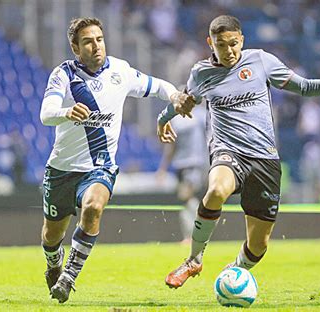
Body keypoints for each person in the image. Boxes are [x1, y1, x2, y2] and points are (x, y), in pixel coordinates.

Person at [157, 15, 320, 289]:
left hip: (264, 158)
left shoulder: (261, 61)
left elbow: (302, 86)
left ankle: (236, 271)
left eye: (233, 44)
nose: (228, 51)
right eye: (220, 45)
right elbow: (182, 101)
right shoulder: (201, 73)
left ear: (241, 40)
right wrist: (163, 119)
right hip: (227, 152)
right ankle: (194, 259)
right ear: (210, 43)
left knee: (258, 245)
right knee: (216, 190)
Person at [39, 17, 191, 303]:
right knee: (50, 235)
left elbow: (156, 85)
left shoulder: (120, 70)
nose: (96, 46)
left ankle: (69, 276)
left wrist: (174, 96)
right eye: (88, 41)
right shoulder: (64, 75)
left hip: (100, 167)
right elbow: (46, 113)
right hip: (61, 169)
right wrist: (66, 112)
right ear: (75, 47)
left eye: (99, 39)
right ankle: (53, 263)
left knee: (94, 207)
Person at [156, 106, 208, 244]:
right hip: (179, 164)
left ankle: (194, 236)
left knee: (187, 196)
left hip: (195, 163)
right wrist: (163, 168)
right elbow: (171, 145)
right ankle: (193, 236)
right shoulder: (176, 119)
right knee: (187, 199)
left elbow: (211, 138)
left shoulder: (201, 115)